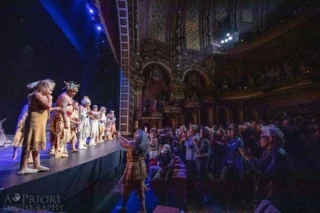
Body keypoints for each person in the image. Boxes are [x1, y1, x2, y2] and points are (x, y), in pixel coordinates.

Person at [18, 79, 60, 175]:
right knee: (29, 144)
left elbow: (45, 108)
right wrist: (50, 98)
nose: (51, 92)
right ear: (43, 87)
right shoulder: (36, 95)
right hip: (34, 123)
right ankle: (23, 167)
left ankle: (37, 164)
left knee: (36, 144)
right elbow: (48, 106)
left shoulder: (42, 96)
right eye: (50, 89)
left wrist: (56, 108)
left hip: (40, 123)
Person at [116, 129, 149, 213]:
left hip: (133, 169)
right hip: (141, 167)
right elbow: (131, 142)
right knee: (140, 188)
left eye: (137, 134)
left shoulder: (132, 145)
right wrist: (122, 137)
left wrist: (119, 137)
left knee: (127, 188)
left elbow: (122, 144)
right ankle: (143, 210)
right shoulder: (144, 144)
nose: (135, 135)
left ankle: (123, 207)